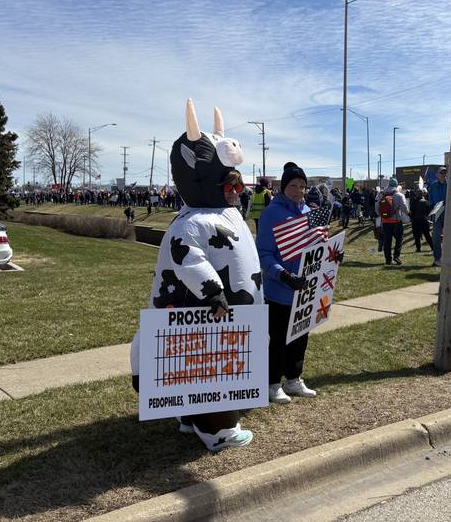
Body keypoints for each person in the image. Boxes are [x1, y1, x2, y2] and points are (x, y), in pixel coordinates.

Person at [129, 99, 260, 452]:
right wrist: (212, 291)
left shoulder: (223, 215)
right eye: (230, 188)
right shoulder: (190, 223)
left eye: (237, 188)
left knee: (211, 367)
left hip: (231, 313)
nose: (236, 193)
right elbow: (188, 259)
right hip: (208, 312)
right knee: (205, 366)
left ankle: (189, 417)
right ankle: (215, 430)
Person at [257, 162, 320, 404]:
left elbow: (316, 247)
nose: (298, 190)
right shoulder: (271, 213)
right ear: (283, 187)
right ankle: (272, 383)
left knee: (300, 337)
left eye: (302, 186)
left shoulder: (308, 212)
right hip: (279, 289)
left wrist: (331, 255)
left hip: (305, 289)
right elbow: (263, 253)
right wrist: (282, 275)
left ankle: (293, 378)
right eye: (293, 185)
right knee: (279, 338)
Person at [376, 178, 408, 265]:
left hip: (385, 221)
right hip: (396, 221)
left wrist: (382, 215)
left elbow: (377, 207)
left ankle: (388, 259)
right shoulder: (399, 195)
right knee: (399, 239)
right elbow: (404, 208)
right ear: (396, 185)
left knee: (387, 240)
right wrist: (408, 214)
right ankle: (396, 256)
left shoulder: (381, 194)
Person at [428, 166, 448, 267]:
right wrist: (432, 207)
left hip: (448, 213)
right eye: (441, 173)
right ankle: (437, 259)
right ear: (437, 174)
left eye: (444, 173)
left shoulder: (450, 184)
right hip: (436, 212)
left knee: (448, 237)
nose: (443, 175)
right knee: (435, 236)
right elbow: (430, 197)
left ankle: (448, 258)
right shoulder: (433, 185)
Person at [409, 187, 433, 253]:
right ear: (422, 194)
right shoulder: (426, 202)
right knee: (427, 235)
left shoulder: (413, 201)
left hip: (415, 220)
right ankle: (432, 247)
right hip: (424, 219)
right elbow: (428, 212)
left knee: (416, 235)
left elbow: (411, 211)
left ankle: (418, 248)